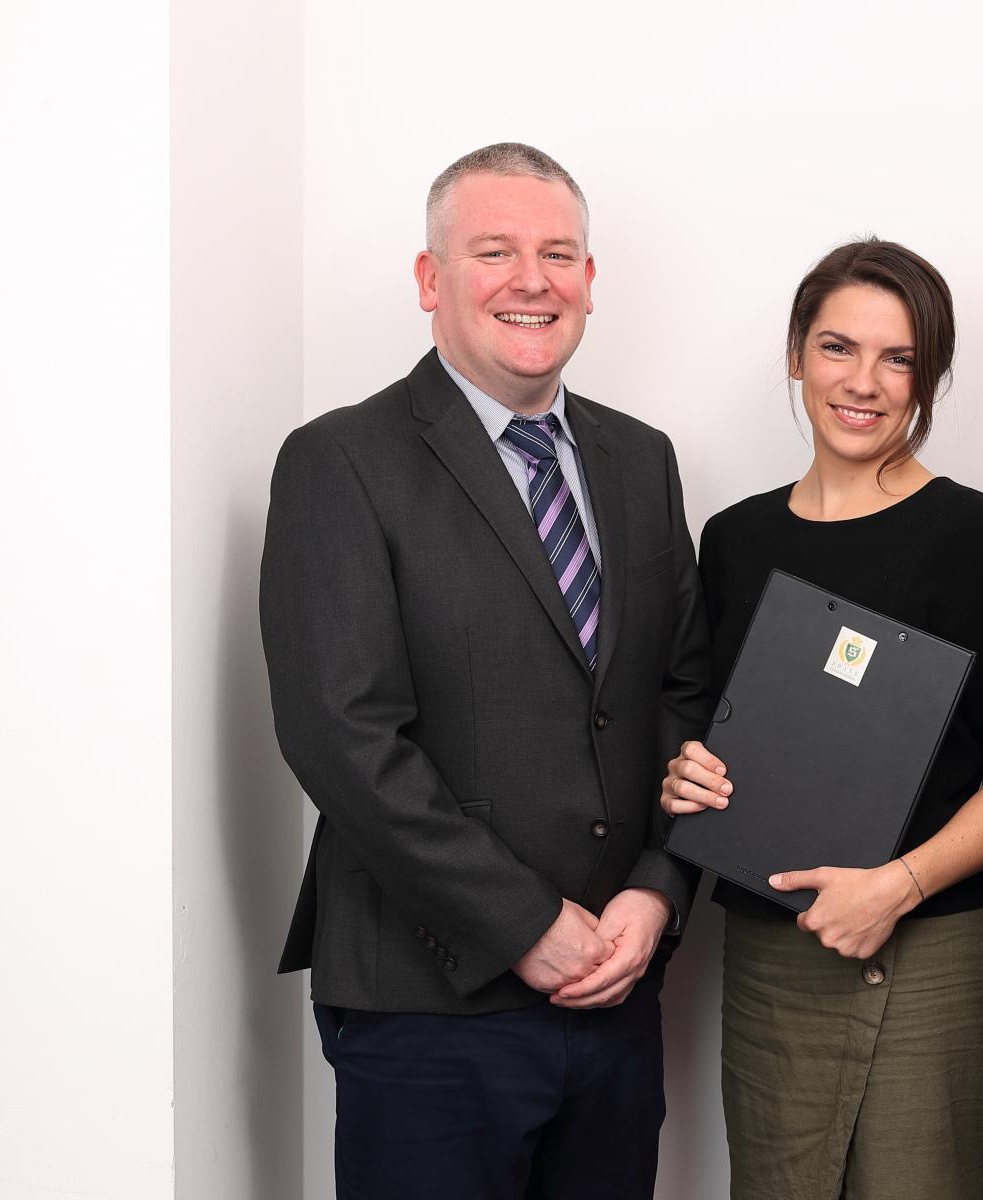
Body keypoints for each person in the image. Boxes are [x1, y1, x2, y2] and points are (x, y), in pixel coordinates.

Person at [259, 142, 711, 1198]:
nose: (532, 280)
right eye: (494, 251)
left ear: (589, 280)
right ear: (431, 280)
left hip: (615, 989)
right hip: (429, 1003)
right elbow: (342, 735)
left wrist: (658, 891)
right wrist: (524, 925)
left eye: (558, 254)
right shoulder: (341, 461)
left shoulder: (641, 460)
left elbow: (683, 695)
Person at [660, 239, 983, 1199]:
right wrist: (685, 774)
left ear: (929, 376)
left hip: (935, 958)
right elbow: (705, 733)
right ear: (796, 354)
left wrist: (897, 886)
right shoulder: (735, 539)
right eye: (837, 347)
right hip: (772, 965)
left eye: (898, 358)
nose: (863, 382)